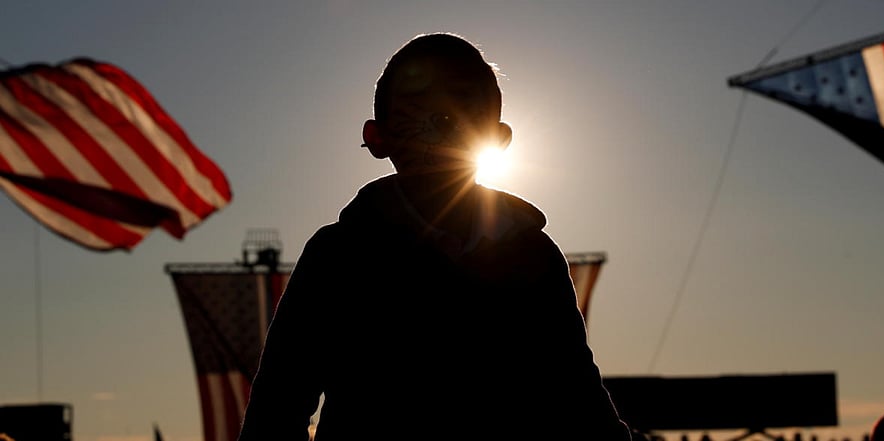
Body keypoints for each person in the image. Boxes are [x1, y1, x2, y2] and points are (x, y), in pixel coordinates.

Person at [236, 32, 632, 441]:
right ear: (377, 138)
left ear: (499, 140)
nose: (442, 123)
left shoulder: (534, 254)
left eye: (461, 107)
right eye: (420, 109)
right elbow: (277, 407)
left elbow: (577, 397)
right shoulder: (338, 255)